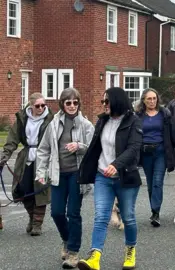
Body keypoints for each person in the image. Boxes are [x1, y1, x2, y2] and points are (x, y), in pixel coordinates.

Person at [77, 87, 142, 270]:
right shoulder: (102, 121)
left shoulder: (133, 121)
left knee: (128, 217)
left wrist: (116, 164)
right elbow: (95, 147)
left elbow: (134, 148)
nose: (103, 105)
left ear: (117, 102)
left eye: (107, 101)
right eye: (102, 101)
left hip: (125, 177)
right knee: (100, 217)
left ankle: (130, 251)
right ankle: (94, 257)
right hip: (102, 176)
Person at [35, 88, 94, 268]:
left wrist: (80, 146)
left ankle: (74, 253)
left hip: (77, 174)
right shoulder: (53, 124)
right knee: (57, 212)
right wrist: (41, 173)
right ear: (62, 104)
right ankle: (66, 240)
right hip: (57, 174)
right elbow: (43, 150)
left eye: (75, 102)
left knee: (73, 213)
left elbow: (93, 150)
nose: (72, 106)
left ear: (79, 103)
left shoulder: (86, 125)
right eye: (68, 102)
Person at [0, 93, 53, 235]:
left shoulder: (51, 119)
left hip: (43, 157)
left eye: (43, 105)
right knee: (23, 189)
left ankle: (37, 223)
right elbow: (12, 139)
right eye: (38, 106)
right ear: (31, 105)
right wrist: (4, 157)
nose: (41, 108)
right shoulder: (22, 119)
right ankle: (31, 216)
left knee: (40, 190)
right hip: (26, 157)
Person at [135, 88, 175, 227]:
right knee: (151, 184)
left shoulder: (165, 114)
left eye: (154, 98)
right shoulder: (138, 116)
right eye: (149, 99)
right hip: (145, 152)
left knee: (158, 181)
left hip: (161, 152)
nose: (152, 101)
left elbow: (174, 132)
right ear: (144, 101)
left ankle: (156, 213)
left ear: (157, 99)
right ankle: (154, 209)